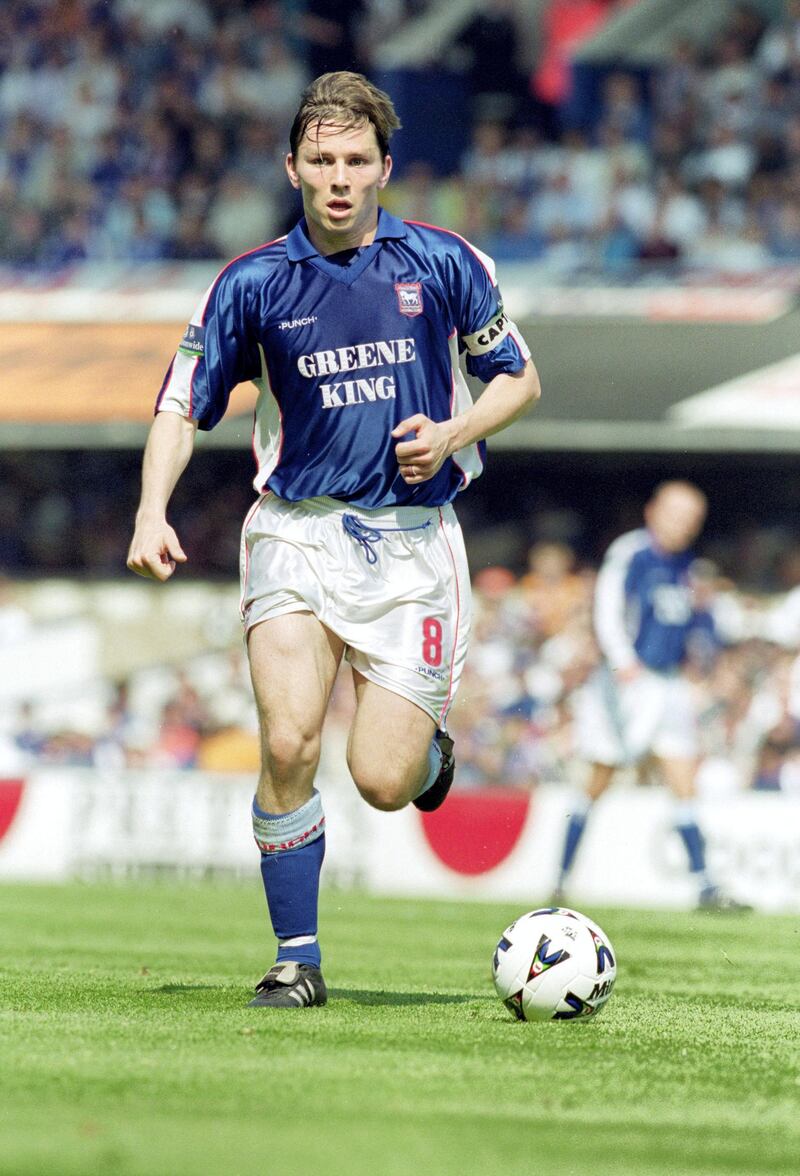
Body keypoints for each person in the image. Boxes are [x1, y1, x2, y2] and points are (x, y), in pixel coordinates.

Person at [127, 71, 540, 1008]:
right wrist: (153, 509)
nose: (340, 177)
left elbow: (518, 381)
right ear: (293, 168)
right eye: (322, 160)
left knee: (384, 779)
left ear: (385, 168)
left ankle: (430, 758)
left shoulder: (442, 262)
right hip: (295, 536)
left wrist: (453, 434)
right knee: (289, 740)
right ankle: (295, 957)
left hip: (412, 548)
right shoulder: (254, 281)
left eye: (357, 160)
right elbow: (180, 405)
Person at [552, 481, 748, 911]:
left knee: (683, 776)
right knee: (599, 776)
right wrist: (622, 658)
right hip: (628, 680)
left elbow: (694, 623)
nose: (685, 525)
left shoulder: (686, 565)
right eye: (679, 515)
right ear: (654, 511)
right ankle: (561, 879)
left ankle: (705, 885)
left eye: (692, 519)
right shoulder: (632, 552)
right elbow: (607, 605)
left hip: (668, 682)